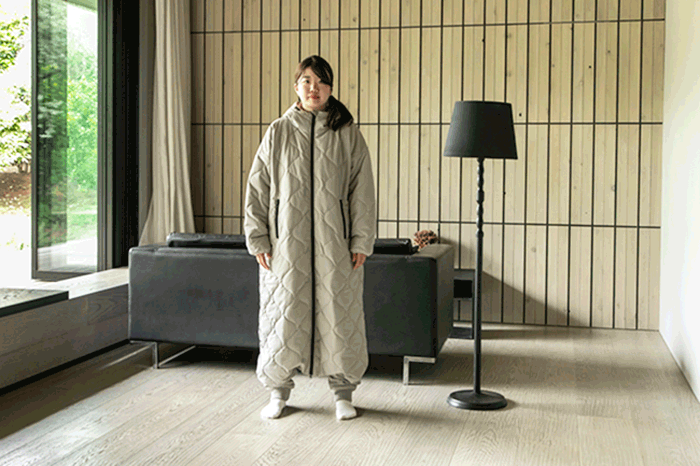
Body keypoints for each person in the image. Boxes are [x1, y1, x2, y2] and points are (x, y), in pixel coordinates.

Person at [244, 55, 376, 421]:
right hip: (285, 246)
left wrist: (361, 240)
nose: (313, 88)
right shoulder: (278, 131)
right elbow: (257, 188)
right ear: (296, 87)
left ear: (331, 88)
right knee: (282, 317)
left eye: (320, 82)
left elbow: (362, 191)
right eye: (306, 81)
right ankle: (278, 392)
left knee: (341, 316)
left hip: (336, 246)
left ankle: (343, 394)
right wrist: (258, 239)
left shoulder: (347, 133)